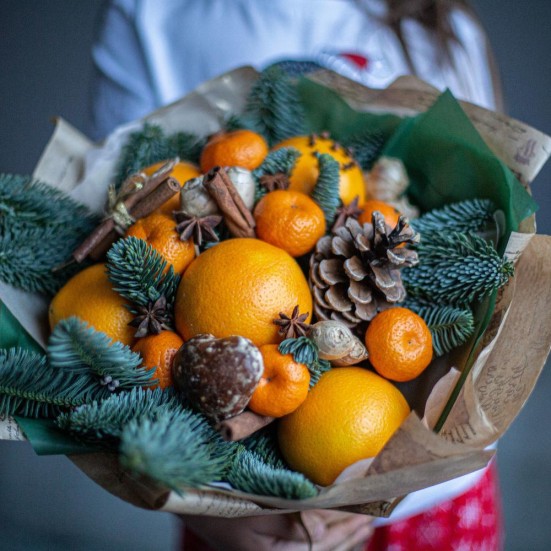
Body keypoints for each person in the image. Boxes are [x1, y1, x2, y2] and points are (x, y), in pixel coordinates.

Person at [89, 1, 504, 549]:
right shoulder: (152, 14)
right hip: (245, 521)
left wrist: (386, 492)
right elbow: (117, 204)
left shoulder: (444, 28)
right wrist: (209, 508)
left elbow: (493, 246)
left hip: (433, 504)